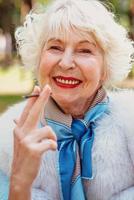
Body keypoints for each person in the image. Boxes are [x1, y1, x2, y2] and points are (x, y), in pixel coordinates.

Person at [0, 0, 134, 199]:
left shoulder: (130, 120)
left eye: (85, 50)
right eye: (55, 47)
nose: (66, 63)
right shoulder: (7, 133)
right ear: (39, 57)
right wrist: (20, 182)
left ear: (106, 68)